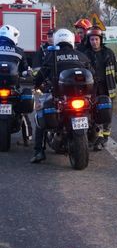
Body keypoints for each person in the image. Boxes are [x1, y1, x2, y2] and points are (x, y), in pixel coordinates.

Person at [31, 28, 94, 163]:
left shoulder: (52, 55)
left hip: (60, 96)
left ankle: (39, 151)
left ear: (57, 40)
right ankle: (93, 137)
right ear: (71, 40)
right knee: (91, 110)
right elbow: (93, 74)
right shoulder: (81, 55)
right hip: (80, 96)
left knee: (40, 115)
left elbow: (42, 74)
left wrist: (36, 85)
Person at [85, 27, 117, 150]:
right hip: (92, 88)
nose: (94, 42)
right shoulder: (85, 54)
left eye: (96, 39)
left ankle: (104, 137)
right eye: (92, 39)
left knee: (106, 114)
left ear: (101, 40)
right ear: (89, 40)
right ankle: (97, 137)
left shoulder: (109, 53)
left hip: (108, 88)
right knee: (93, 112)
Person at [0, 24, 33, 145]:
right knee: (22, 111)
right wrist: (27, 73)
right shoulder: (19, 51)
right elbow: (26, 69)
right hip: (13, 88)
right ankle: (27, 138)